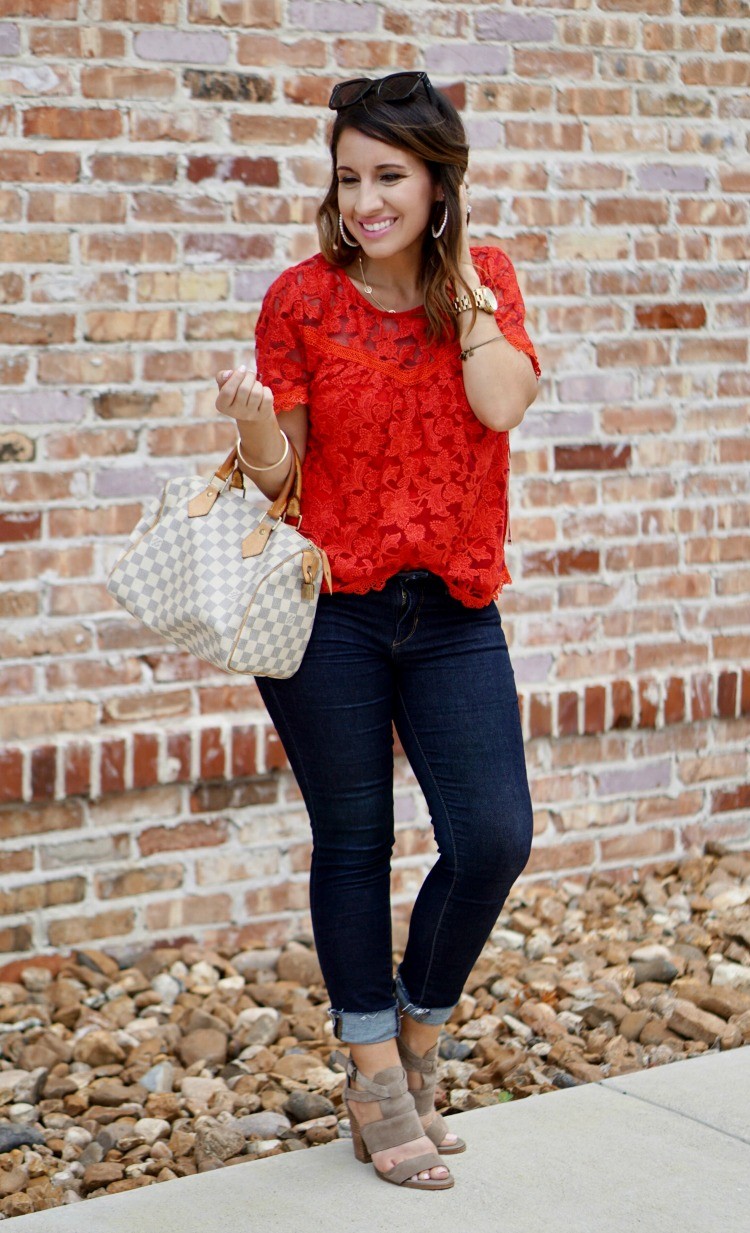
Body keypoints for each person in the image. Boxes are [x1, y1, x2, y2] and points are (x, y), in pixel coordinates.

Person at [215, 71, 541, 1191]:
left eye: (389, 176)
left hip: (453, 608)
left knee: (494, 835)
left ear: (438, 179)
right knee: (355, 844)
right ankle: (370, 1072)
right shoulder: (299, 299)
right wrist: (258, 426)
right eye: (349, 177)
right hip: (333, 613)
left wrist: (463, 296)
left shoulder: (486, 281)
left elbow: (500, 405)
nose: (365, 200)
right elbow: (279, 484)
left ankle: (417, 1029)